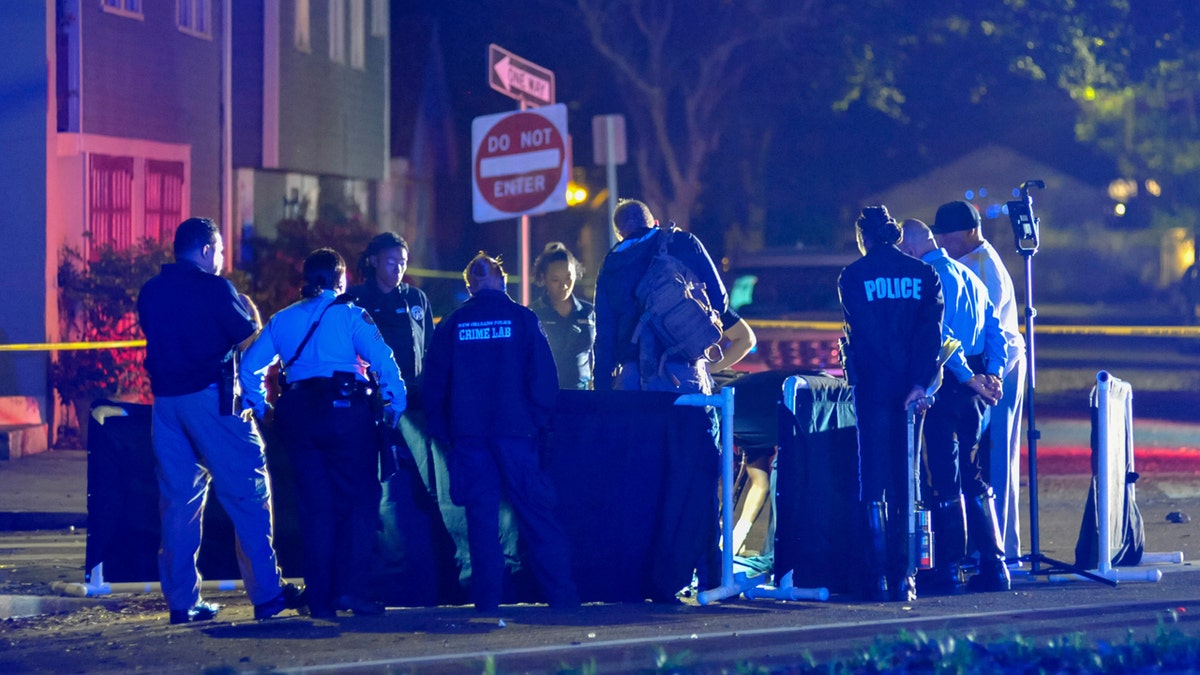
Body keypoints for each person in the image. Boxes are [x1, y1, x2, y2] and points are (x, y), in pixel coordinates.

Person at [136, 217, 302, 624]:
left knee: (178, 503)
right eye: (221, 251)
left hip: (165, 404)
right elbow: (253, 345)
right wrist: (253, 316)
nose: (223, 259)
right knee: (248, 491)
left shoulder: (151, 292)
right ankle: (267, 593)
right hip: (212, 400)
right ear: (207, 249)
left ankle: (182, 602)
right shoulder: (215, 289)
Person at [240, 248, 408, 619]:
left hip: (298, 416)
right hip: (347, 413)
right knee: (360, 503)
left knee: (315, 509)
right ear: (340, 279)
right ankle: (350, 591)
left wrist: (262, 407)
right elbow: (384, 362)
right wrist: (395, 406)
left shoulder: (282, 320)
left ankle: (320, 599)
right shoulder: (351, 316)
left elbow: (249, 367)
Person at [423, 252, 580, 612]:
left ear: (470, 285)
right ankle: (563, 599)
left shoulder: (453, 322)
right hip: (517, 435)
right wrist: (537, 422)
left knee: (481, 522)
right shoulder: (522, 319)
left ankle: (488, 603)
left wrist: (445, 431)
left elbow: (433, 385)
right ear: (502, 280)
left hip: (470, 438)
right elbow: (544, 380)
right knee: (538, 517)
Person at [837, 205, 944, 602]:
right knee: (908, 479)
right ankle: (907, 578)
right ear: (897, 236)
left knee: (873, 479)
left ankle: (877, 577)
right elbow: (930, 336)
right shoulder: (924, 273)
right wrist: (920, 383)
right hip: (910, 390)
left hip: (871, 388)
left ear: (863, 238)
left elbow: (857, 333)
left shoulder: (852, 276)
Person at [345, 232, 458, 605]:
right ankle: (388, 577)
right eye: (392, 261)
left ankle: (435, 578)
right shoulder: (357, 300)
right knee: (384, 493)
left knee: (431, 488)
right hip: (374, 409)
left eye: (404, 262)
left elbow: (431, 347)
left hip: (418, 406)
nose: (399, 269)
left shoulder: (416, 299)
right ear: (375, 261)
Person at [899, 218, 1011, 593]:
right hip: (977, 386)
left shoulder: (927, 280)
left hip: (950, 382)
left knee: (942, 476)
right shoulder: (971, 277)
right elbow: (998, 330)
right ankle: (995, 567)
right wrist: (992, 375)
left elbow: (941, 335)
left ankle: (948, 568)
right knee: (972, 472)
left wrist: (966, 376)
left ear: (910, 250)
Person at [932, 200, 1027, 565]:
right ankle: (991, 546)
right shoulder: (968, 260)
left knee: (997, 460)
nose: (944, 244)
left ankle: (1001, 548)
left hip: (996, 370)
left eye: (949, 237)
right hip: (985, 371)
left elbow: (992, 331)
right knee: (984, 460)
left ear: (971, 232)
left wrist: (988, 377)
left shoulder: (982, 266)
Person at [593, 199, 729, 395]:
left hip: (632, 380)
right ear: (655, 223)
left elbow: (605, 336)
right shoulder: (684, 242)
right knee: (693, 425)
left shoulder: (611, 265)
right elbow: (720, 302)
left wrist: (602, 390)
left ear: (620, 234)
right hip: (684, 374)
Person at [529, 242, 596, 390]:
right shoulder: (532, 314)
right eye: (555, 280)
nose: (564, 285)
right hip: (546, 397)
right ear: (543, 277)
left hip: (583, 398)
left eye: (568, 278)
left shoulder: (589, 312)